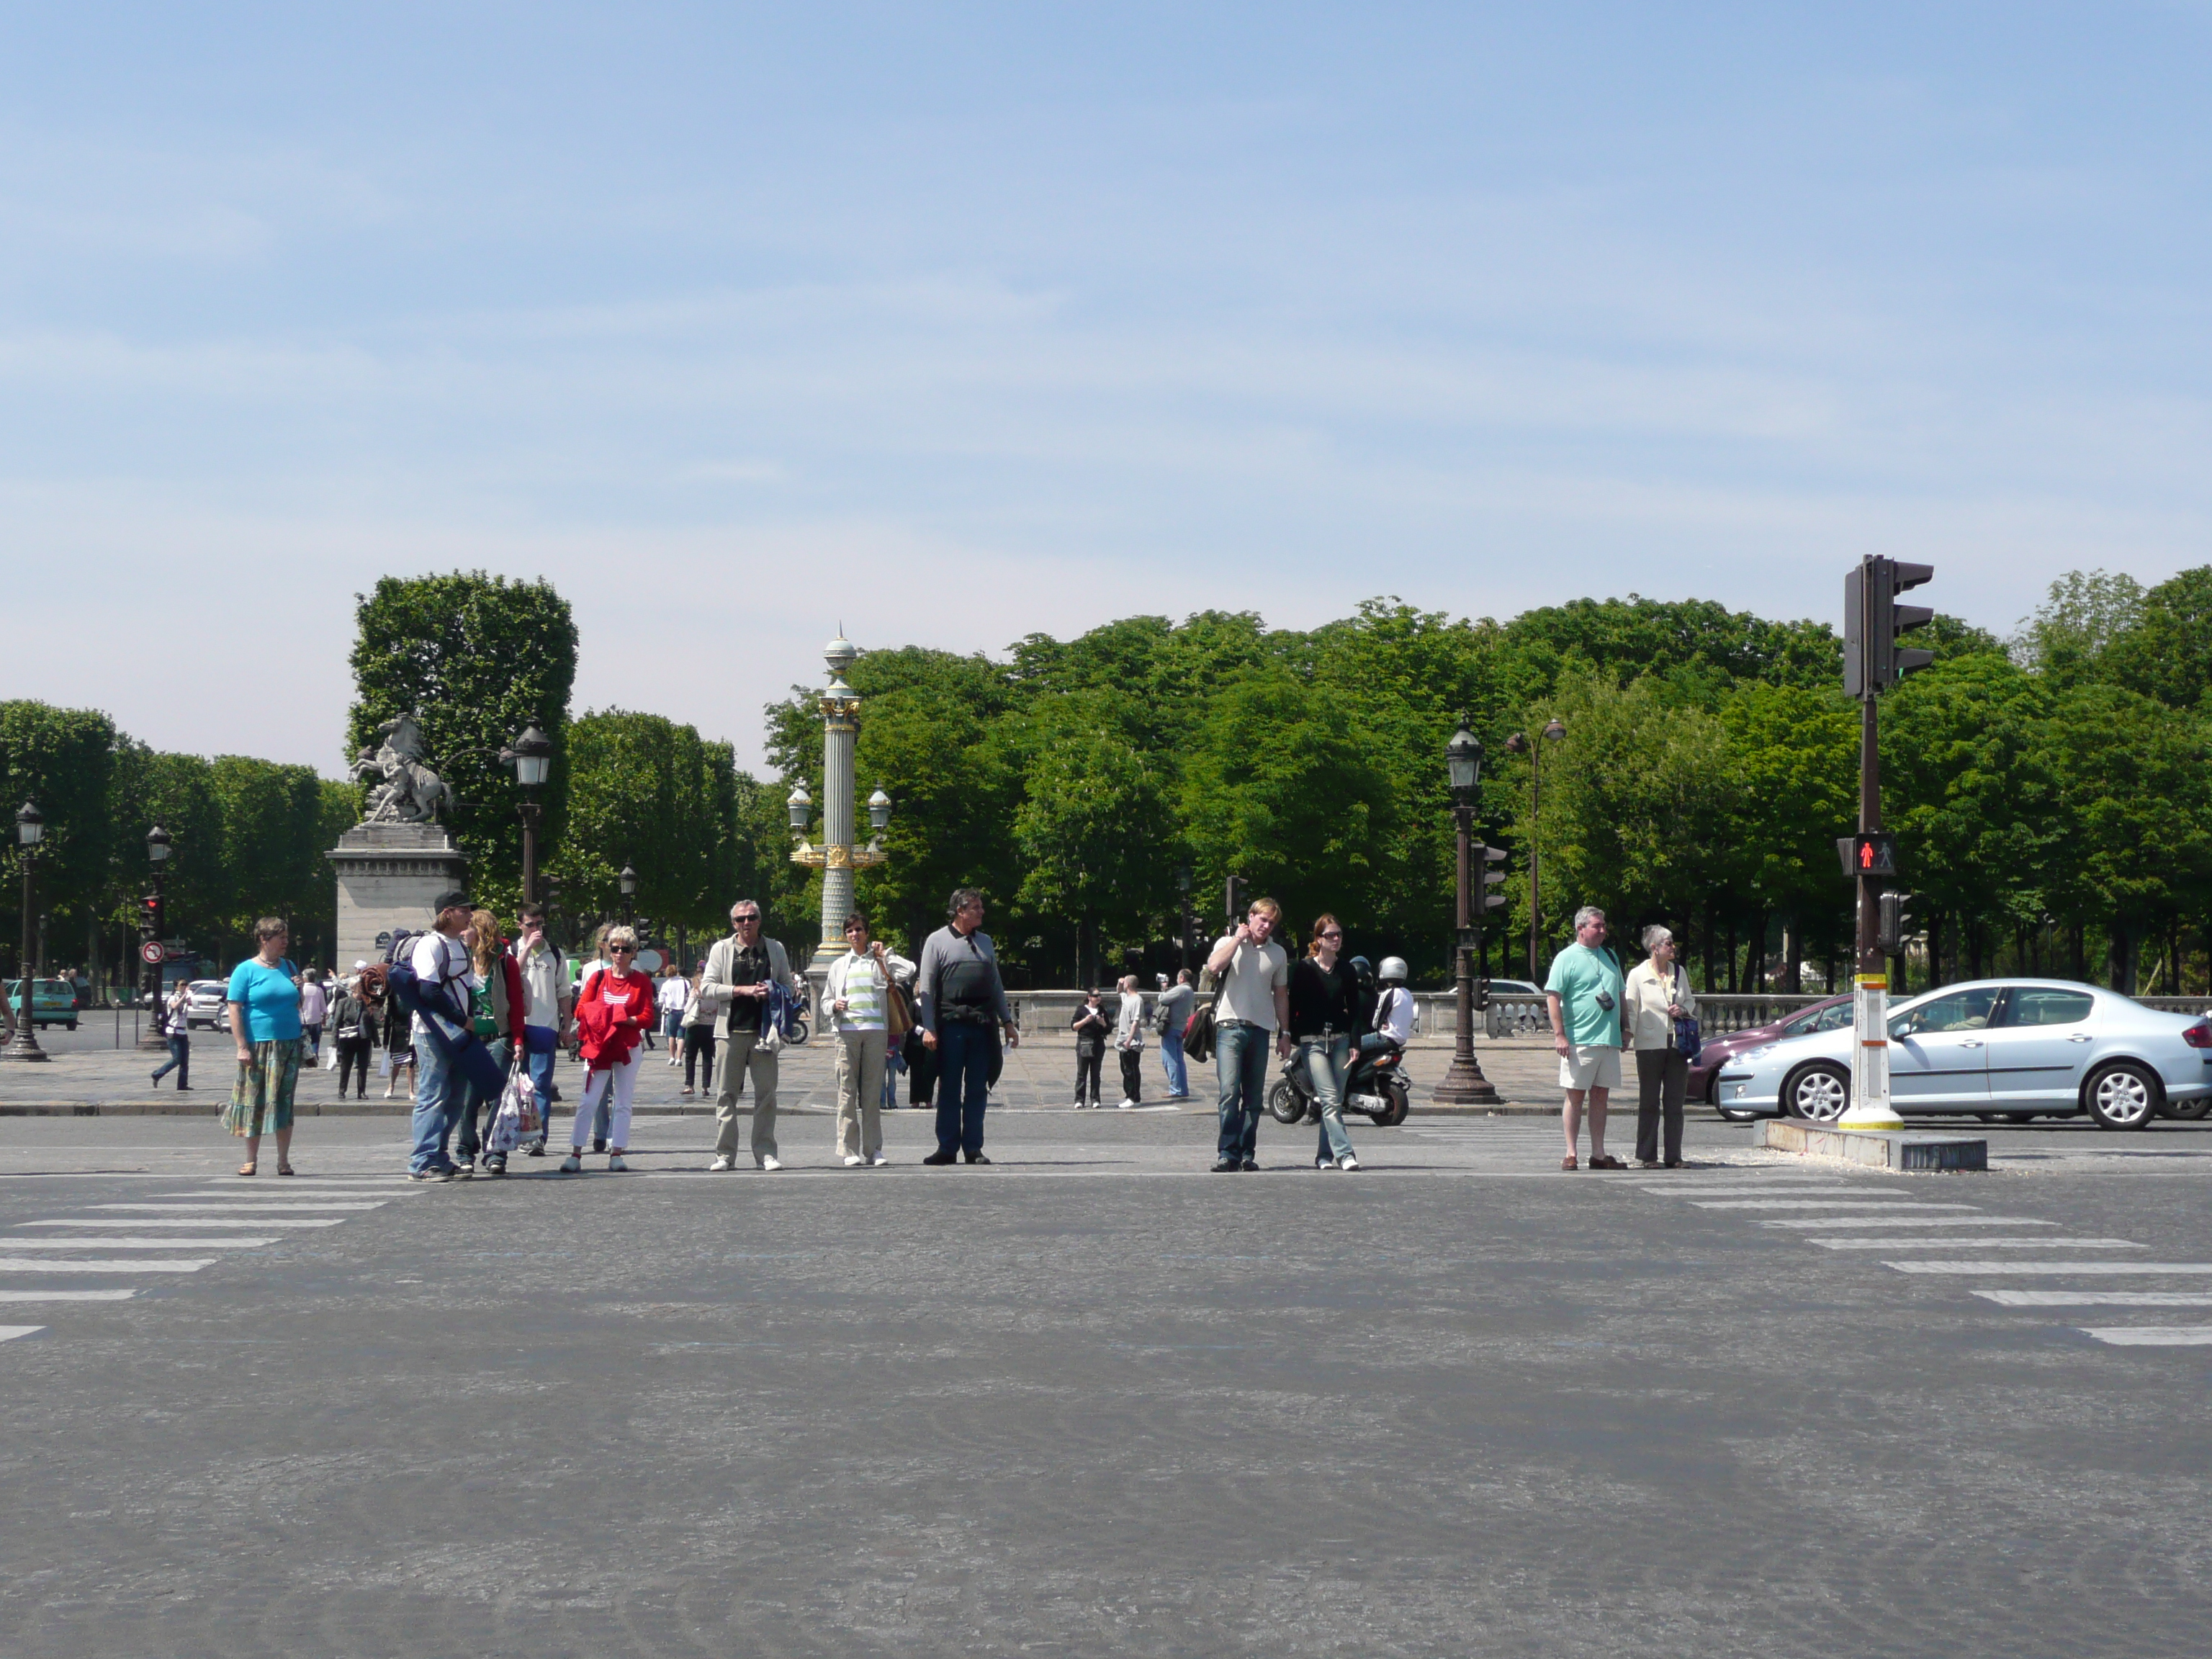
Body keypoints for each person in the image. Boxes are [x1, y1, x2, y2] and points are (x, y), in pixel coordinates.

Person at [915, 887, 1019, 1165]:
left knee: (977, 1088)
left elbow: (996, 985)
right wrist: (929, 1027)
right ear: (960, 911)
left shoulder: (986, 942)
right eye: (976, 907)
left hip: (982, 1026)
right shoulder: (936, 941)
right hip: (951, 1026)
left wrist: (1007, 1022)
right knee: (949, 1087)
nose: (981, 911)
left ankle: (974, 1148)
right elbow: (926, 988)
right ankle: (947, 1148)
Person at [701, 900, 804, 1172]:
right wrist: (742, 991)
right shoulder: (721, 949)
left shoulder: (775, 948)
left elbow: (788, 985)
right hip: (729, 1031)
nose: (746, 923)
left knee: (767, 1095)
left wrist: (773, 990)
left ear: (760, 920)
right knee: (726, 1095)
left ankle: (765, 1153)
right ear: (733, 923)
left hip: (764, 1033)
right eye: (740, 919)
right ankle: (725, 1154)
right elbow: (707, 987)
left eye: (751, 917)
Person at [1204, 897, 1292, 1172]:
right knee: (1229, 1092)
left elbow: (1280, 994)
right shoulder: (1227, 942)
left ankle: (1246, 1152)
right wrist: (1236, 939)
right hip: (1229, 1027)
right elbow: (1213, 967)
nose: (1266, 926)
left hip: (1260, 1029)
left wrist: (1285, 1032)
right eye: (1262, 919)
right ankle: (1227, 1152)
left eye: (1271, 922)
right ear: (1251, 917)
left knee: (1253, 1098)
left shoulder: (1277, 953)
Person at [1546, 905, 1627, 1172]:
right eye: (1597, 926)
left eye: (1604, 925)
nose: (1603, 930)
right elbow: (1553, 997)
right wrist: (1560, 1035)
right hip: (1580, 1039)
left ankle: (1598, 1153)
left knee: (1601, 1096)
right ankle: (1571, 1153)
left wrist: (1626, 1028)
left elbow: (1621, 995)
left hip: (1609, 1039)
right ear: (1581, 929)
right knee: (1575, 1096)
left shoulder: (1611, 956)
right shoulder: (1566, 958)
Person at [407, 889, 480, 1181]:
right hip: (434, 1031)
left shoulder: (459, 945)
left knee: (455, 1099)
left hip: (459, 1032)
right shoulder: (431, 944)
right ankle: (422, 1163)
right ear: (447, 913)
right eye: (464, 910)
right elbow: (429, 990)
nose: (470, 915)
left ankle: (439, 1156)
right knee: (433, 1095)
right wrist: (464, 1020)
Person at [565, 926, 652, 1172]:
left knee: (623, 1101)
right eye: (615, 948)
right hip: (599, 1045)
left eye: (625, 949)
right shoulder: (598, 977)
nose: (620, 953)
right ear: (608, 949)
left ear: (634, 952)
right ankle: (575, 1153)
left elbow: (646, 1016)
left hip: (628, 1046)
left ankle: (617, 1153)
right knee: (588, 1100)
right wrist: (610, 1015)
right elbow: (580, 1009)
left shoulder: (641, 980)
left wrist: (621, 1018)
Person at [225, 917, 305, 1177]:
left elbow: (296, 1005)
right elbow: (234, 1008)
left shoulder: (290, 966)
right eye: (280, 937)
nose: (286, 941)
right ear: (264, 939)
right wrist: (242, 1046)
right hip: (258, 1045)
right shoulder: (245, 970)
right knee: (254, 1101)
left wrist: (300, 990)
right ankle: (251, 1160)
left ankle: (283, 1160)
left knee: (284, 1102)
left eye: (286, 936)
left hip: (289, 1043)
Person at [1289, 914, 1367, 1171]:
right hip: (1312, 1041)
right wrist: (1287, 1035)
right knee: (1330, 1098)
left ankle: (1324, 1156)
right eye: (1330, 935)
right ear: (1318, 939)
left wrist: (1356, 1043)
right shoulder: (1303, 968)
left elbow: (1355, 1008)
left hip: (1341, 1040)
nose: (1336, 939)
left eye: (1339, 935)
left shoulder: (1346, 970)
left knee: (1334, 1100)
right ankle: (1345, 1154)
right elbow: (1293, 1004)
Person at [455, 909, 524, 1177]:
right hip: (469, 1038)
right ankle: (465, 1151)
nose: (462, 932)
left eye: (467, 928)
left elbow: (516, 1005)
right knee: (468, 1100)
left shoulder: (505, 962)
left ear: (480, 930)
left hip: (498, 1038)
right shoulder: (460, 960)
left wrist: (518, 1039)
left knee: (497, 1098)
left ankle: (495, 1152)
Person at [824, 909, 896, 1166]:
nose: (854, 934)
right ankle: (849, 1149)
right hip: (847, 1033)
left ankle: (874, 1149)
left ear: (867, 933)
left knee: (872, 1093)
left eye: (859, 929)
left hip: (876, 1032)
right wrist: (835, 1004)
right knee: (847, 1092)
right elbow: (825, 1001)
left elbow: (908, 971)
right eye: (850, 931)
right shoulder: (839, 965)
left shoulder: (877, 961)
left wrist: (885, 954)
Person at [1624, 924, 1699, 1169]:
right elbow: (1632, 1008)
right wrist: (1628, 1035)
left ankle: (1674, 1156)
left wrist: (1683, 1009)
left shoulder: (1680, 971)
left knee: (1675, 1102)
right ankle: (1647, 1156)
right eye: (1668, 943)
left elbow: (1690, 1000)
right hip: (1649, 1044)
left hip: (1677, 1042)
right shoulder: (1637, 974)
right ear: (1654, 948)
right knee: (1649, 1101)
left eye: (1672, 942)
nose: (1673, 947)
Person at [512, 902, 569, 1155]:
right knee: (516, 1085)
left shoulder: (556, 953)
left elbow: (563, 991)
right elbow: (512, 975)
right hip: (517, 1027)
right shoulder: (512, 950)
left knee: (540, 1085)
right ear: (520, 925)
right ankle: (517, 1133)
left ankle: (537, 1138)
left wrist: (567, 1023)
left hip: (545, 1025)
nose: (536, 929)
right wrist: (527, 949)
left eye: (539, 924)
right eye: (530, 925)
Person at [328, 974, 374, 1100]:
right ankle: (342, 1090)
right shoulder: (344, 1002)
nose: (362, 988)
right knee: (345, 1066)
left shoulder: (367, 1003)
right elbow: (337, 1022)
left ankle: (362, 1091)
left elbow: (371, 1023)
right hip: (348, 1039)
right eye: (360, 986)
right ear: (353, 988)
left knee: (363, 1066)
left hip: (363, 1039)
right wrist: (334, 1040)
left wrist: (376, 1039)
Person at [1156, 968, 1195, 1100]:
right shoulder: (1190, 991)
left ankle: (1175, 1089)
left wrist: (1164, 989)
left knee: (1169, 1059)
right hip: (1180, 1027)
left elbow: (1163, 999)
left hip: (1171, 1027)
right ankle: (1183, 1089)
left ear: (1182, 978)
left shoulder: (1182, 989)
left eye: (1179, 977)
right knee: (1179, 1060)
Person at [680, 963, 717, 1098]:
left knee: (691, 1057)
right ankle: (705, 1087)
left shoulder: (695, 992)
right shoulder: (714, 994)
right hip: (710, 1027)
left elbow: (686, 1009)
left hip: (694, 1027)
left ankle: (689, 1085)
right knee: (708, 1057)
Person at [1365, 956, 1415, 1056]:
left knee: (1352, 1045)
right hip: (1401, 1040)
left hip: (1386, 1038)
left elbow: (1376, 1022)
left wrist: (1377, 1025)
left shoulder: (1389, 993)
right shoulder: (1407, 993)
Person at [150, 978, 193, 1092]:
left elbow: (189, 1008)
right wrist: (184, 996)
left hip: (183, 1031)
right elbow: (175, 1006)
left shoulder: (185, 999)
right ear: (176, 987)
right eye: (182, 985)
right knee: (177, 1059)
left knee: (185, 1061)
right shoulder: (172, 998)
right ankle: (157, 1074)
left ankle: (182, 1085)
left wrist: (188, 997)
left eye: (185, 984)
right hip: (173, 1032)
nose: (184, 986)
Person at [1112, 974, 1147, 1109]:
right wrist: (1120, 982)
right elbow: (1119, 991)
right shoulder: (1126, 997)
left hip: (1131, 1040)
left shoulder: (1137, 1000)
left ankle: (1133, 1097)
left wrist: (1129, 1040)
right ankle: (1129, 1095)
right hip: (1123, 1038)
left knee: (1131, 1069)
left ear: (1129, 984)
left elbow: (1135, 1022)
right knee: (1125, 1068)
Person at [1071, 988, 1109, 1107]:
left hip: (1098, 1043)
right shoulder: (1081, 1010)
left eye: (1099, 996)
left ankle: (1095, 1099)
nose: (1098, 998)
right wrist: (1085, 1021)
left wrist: (1102, 1022)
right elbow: (1074, 1026)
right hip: (1084, 1043)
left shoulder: (1102, 1010)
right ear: (1089, 997)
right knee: (1082, 1073)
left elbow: (1109, 1029)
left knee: (1096, 1073)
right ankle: (1079, 1100)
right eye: (1096, 995)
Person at [657, 962, 691, 1069]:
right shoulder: (685, 982)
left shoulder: (666, 984)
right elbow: (690, 994)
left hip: (671, 1010)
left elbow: (661, 999)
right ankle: (679, 1058)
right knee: (681, 1036)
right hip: (683, 1010)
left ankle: (672, 1057)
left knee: (671, 1035)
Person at [297, 967, 328, 1064]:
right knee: (315, 1040)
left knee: (301, 1040)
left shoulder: (301, 989)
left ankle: (303, 1059)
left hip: (301, 1019)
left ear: (305, 978)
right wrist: (324, 1016)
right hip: (315, 1018)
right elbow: (323, 1006)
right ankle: (314, 1057)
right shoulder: (318, 990)